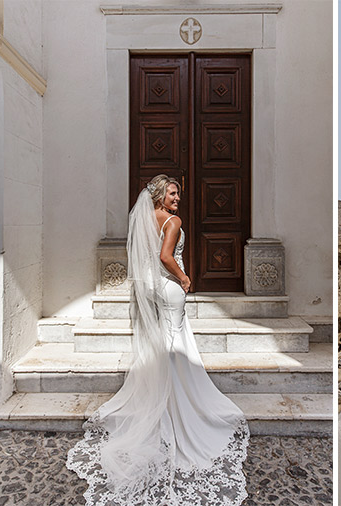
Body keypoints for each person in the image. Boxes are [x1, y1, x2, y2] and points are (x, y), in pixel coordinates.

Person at [67, 175, 249, 505]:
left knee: (166, 345)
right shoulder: (174, 221)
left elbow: (149, 256)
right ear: (160, 196)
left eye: (178, 193)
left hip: (153, 289)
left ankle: (163, 402)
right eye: (173, 193)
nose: (178, 198)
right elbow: (167, 256)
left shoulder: (147, 218)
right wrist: (184, 278)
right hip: (168, 288)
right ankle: (177, 408)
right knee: (175, 346)